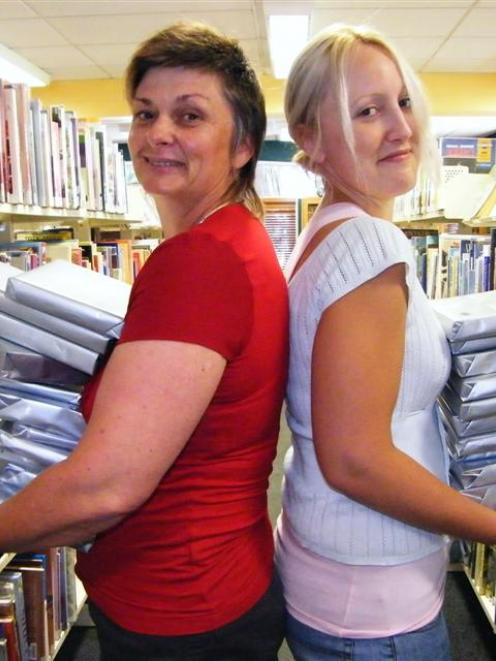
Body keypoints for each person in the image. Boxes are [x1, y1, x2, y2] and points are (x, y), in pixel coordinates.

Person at [0, 22, 288, 661]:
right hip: (211, 583)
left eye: (189, 116)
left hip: (181, 604)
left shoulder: (202, 261)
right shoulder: (232, 240)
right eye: (145, 114)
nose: (159, 132)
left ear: (242, 144)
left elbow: (107, 487)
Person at [275, 23, 496, 661]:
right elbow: (357, 461)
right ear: (310, 141)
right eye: (366, 111)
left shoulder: (331, 231)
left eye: (401, 101)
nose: (400, 126)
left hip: (341, 576)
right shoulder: (370, 245)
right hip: (372, 607)